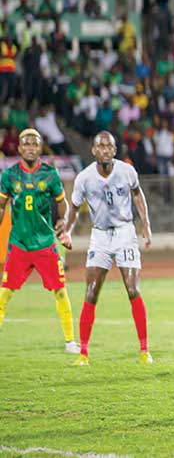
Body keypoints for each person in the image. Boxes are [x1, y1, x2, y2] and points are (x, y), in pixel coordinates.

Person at [60, 132, 153, 366]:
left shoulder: (126, 171)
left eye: (109, 146)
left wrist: (146, 225)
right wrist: (68, 231)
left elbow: (137, 194)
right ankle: (83, 354)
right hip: (100, 235)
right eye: (100, 146)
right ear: (93, 150)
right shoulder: (85, 178)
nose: (105, 150)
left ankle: (144, 350)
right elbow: (74, 207)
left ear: (114, 150)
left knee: (133, 288)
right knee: (91, 291)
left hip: (124, 232)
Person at [0, 129, 78, 354]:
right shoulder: (9, 175)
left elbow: (63, 204)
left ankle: (70, 342)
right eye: (27, 144)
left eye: (35, 144)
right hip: (19, 244)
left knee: (60, 291)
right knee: (5, 293)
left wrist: (62, 221)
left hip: (45, 243)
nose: (31, 147)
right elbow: (1, 206)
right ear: (19, 148)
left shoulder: (50, 174)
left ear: (41, 147)